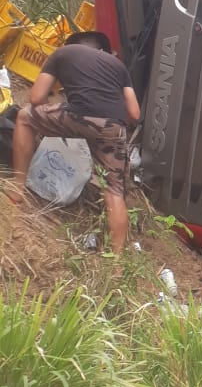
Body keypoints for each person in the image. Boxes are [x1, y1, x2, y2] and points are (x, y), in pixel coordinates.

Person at [12, 31, 141, 252]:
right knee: (114, 192)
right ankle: (117, 264)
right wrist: (114, 125)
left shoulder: (62, 53)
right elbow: (134, 114)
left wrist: (53, 112)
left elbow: (36, 98)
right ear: (103, 50)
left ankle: (17, 188)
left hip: (77, 115)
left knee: (24, 118)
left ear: (72, 45)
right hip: (113, 126)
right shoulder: (118, 65)